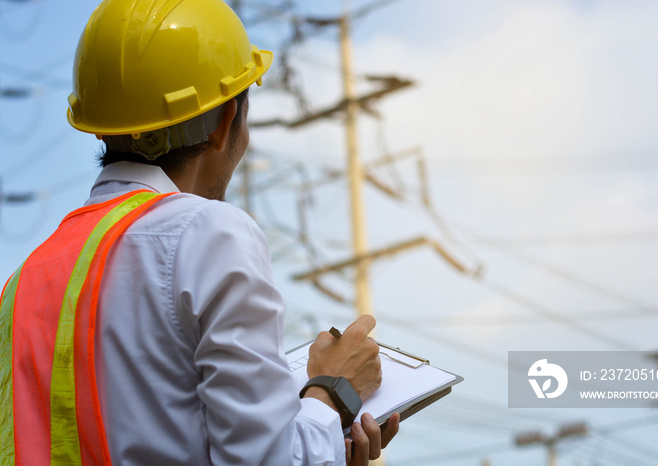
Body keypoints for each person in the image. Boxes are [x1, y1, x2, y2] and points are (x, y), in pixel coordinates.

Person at [0, 0, 399, 464]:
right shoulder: (207, 234)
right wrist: (333, 392)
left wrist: (323, 441)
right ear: (229, 120)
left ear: (100, 128)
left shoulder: (24, 279)